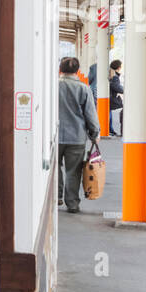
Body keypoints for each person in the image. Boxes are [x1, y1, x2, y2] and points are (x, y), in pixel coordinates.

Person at [58, 56, 98, 214]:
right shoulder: (84, 88)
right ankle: (72, 203)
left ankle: (56, 196)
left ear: (60, 69)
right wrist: (95, 134)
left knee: (54, 168)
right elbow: (90, 114)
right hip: (76, 137)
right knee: (73, 171)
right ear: (77, 70)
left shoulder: (53, 86)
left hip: (54, 136)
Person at [108, 59, 124, 135]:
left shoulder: (111, 73)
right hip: (110, 98)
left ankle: (110, 130)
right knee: (108, 115)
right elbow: (116, 87)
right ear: (119, 67)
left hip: (108, 97)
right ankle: (109, 130)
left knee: (109, 114)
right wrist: (125, 90)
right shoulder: (114, 76)